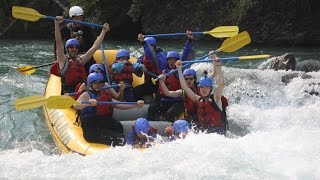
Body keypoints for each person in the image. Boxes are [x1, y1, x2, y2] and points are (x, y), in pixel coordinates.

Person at [72, 72, 144, 146]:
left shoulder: (103, 93)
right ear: (90, 84)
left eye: (101, 83)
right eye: (96, 83)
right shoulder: (86, 94)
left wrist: (135, 105)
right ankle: (127, 143)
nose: (99, 85)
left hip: (101, 122)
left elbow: (118, 104)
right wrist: (87, 103)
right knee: (120, 139)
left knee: (117, 126)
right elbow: (75, 105)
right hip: (91, 127)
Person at [176, 51, 228, 135]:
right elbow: (185, 87)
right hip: (204, 134)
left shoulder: (216, 98)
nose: (204, 90)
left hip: (218, 134)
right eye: (202, 87)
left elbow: (221, 84)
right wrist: (179, 69)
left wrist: (218, 67)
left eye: (206, 87)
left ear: (210, 88)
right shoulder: (198, 99)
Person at [54, 16, 110, 94]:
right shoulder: (63, 60)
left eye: (76, 47)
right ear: (67, 49)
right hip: (69, 93)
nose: (74, 49)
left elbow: (94, 47)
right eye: (71, 47)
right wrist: (56, 25)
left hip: (82, 91)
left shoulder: (80, 60)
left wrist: (104, 31)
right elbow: (59, 43)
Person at [52, 6, 97, 74]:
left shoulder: (87, 28)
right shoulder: (66, 29)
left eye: (80, 18)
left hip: (85, 56)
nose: (79, 20)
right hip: (70, 56)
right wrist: (57, 58)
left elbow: (94, 43)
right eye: (76, 18)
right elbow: (57, 43)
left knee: (93, 67)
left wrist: (84, 54)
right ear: (71, 18)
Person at [133, 35, 167, 101]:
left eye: (151, 46)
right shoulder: (143, 57)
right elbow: (136, 68)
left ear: (154, 46)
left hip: (160, 82)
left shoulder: (160, 56)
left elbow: (151, 54)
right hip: (150, 82)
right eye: (148, 46)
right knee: (136, 90)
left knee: (137, 91)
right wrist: (141, 66)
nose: (149, 48)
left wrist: (144, 43)